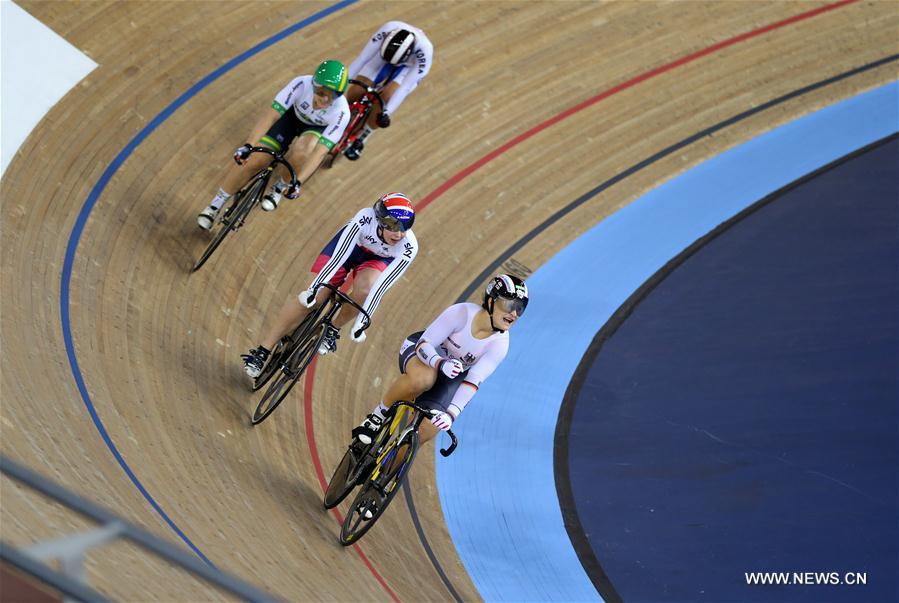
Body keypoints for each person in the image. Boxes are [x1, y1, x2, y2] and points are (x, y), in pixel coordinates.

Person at [241, 192, 418, 377]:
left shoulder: (409, 246)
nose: (399, 234)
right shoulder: (366, 218)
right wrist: (313, 289)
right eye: (393, 227)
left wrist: (361, 323)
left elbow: (380, 287)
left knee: (366, 289)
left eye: (405, 228)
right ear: (380, 221)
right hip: (348, 249)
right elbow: (338, 257)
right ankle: (263, 350)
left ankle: (333, 328)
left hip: (378, 261)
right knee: (312, 299)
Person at [352, 274, 529, 446]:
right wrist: (440, 363)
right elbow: (424, 345)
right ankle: (378, 416)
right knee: (423, 380)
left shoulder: (500, 344)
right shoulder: (462, 313)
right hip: (423, 355)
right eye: (508, 305)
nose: (514, 313)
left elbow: (472, 381)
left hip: (450, 378)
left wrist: (451, 414)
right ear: (491, 301)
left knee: (427, 429)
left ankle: (386, 472)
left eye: (520, 307)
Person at [197, 60, 350, 230]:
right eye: (322, 92)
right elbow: (271, 116)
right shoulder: (301, 84)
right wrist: (249, 145)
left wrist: (297, 182)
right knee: (257, 160)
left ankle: (280, 187)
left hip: (314, 129)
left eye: (333, 96)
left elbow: (320, 153)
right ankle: (214, 205)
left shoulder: (342, 112)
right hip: (291, 118)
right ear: (314, 84)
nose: (325, 99)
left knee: (303, 150)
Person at [342, 21, 433, 161]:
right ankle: (339, 112)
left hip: (408, 68)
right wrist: (340, 84)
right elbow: (362, 59)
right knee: (357, 89)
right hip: (383, 57)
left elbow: (405, 87)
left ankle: (362, 137)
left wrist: (386, 113)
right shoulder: (388, 29)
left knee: (386, 98)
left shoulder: (425, 53)